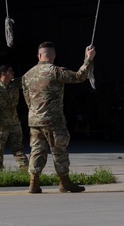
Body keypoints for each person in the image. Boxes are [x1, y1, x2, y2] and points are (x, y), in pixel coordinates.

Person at [21, 41, 95, 193]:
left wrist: (36, 112)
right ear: (54, 55)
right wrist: (89, 58)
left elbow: (27, 99)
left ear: (39, 55)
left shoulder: (27, 75)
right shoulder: (55, 71)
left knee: (36, 151)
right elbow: (79, 77)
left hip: (34, 120)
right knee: (59, 150)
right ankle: (64, 182)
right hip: (53, 121)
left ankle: (33, 182)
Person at [0, 65, 29, 171]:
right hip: (1, 125)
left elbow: (28, 78)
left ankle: (26, 172)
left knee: (18, 148)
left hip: (14, 122)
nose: (13, 72)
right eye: (10, 71)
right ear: (3, 73)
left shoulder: (14, 84)